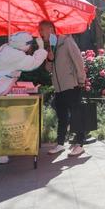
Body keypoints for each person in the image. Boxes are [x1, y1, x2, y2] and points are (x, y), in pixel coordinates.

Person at [0, 32, 47, 164]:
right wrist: (41, 48)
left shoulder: (6, 48)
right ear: (24, 45)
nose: (30, 48)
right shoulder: (14, 54)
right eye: (29, 45)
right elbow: (33, 63)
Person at [40, 21, 87, 157]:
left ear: (50, 29)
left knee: (76, 116)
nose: (40, 33)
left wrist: (81, 80)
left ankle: (80, 144)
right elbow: (48, 69)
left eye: (42, 30)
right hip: (58, 88)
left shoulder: (66, 41)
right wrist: (49, 59)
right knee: (62, 117)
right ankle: (60, 144)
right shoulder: (51, 47)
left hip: (72, 85)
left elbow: (78, 60)